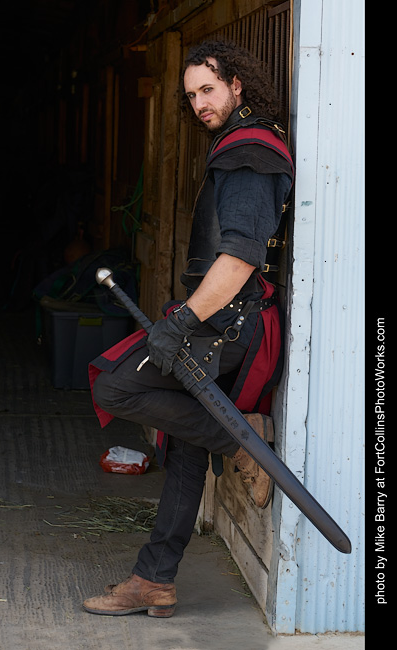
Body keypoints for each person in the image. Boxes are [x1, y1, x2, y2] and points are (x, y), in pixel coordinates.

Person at [83, 39, 294, 618]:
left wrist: (181, 320)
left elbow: (241, 256)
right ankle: (154, 581)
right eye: (192, 95)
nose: (200, 103)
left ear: (237, 85)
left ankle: (244, 439)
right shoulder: (240, 143)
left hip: (228, 327)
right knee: (184, 446)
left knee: (115, 386)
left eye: (209, 89)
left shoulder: (249, 153)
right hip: (219, 320)